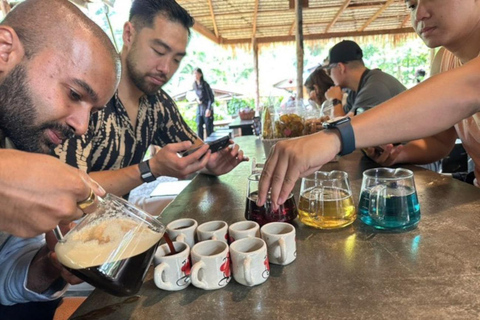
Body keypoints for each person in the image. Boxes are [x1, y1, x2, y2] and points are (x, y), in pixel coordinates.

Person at [257, 0, 480, 209]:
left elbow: (468, 87)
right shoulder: (443, 59)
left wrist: (336, 136)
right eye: (411, 5)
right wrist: (400, 154)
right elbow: (441, 142)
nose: (420, 14)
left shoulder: (376, 82)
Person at [54, 0, 247, 198]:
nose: (165, 68)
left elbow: (195, 150)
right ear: (129, 34)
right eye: (159, 51)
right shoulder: (84, 93)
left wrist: (209, 163)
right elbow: (66, 186)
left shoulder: (158, 105)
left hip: (117, 223)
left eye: (176, 59)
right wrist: (150, 168)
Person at [0, 0, 120, 313]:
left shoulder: (17, 137)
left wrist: (51, 265)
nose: (82, 127)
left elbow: (5, 279)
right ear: (4, 50)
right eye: (75, 94)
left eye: (92, 111)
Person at [323, 40, 406, 118]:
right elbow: (345, 118)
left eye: (328, 70)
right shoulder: (356, 90)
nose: (329, 76)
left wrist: (335, 101)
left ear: (340, 67)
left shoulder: (374, 87)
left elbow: (345, 129)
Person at [193, 67, 215, 139]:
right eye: (194, 73)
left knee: (208, 127)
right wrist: (197, 99)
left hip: (206, 106)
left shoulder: (205, 84)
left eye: (196, 73)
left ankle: (211, 144)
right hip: (200, 107)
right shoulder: (194, 84)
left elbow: (210, 98)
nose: (195, 75)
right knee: (199, 125)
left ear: (200, 74)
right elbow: (195, 95)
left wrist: (208, 109)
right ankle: (200, 144)